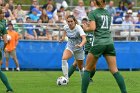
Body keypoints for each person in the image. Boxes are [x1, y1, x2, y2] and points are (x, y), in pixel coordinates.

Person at [81, 0, 127, 93]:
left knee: (87, 69)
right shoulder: (108, 13)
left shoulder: (92, 13)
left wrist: (85, 28)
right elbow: (102, 26)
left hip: (99, 43)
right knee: (114, 70)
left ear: (94, 2)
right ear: (104, 3)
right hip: (109, 42)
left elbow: (93, 28)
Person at [68, 18, 95, 82]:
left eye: (87, 22)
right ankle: (66, 77)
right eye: (84, 22)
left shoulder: (94, 29)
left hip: (92, 49)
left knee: (93, 67)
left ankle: (89, 78)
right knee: (76, 63)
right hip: (83, 48)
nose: (85, 23)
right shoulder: (81, 30)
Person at [60, 15, 87, 81]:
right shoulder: (66, 27)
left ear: (74, 21)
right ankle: (66, 78)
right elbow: (64, 34)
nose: (70, 23)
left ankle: (83, 79)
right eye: (68, 21)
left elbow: (84, 39)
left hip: (79, 48)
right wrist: (62, 39)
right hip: (70, 46)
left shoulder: (78, 28)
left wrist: (80, 45)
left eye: (71, 21)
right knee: (64, 59)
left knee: (80, 67)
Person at [0, 8, 13, 93]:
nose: (4, 15)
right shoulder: (3, 24)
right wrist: (2, 49)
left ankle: (9, 88)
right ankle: (9, 88)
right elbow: (5, 41)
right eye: (2, 13)